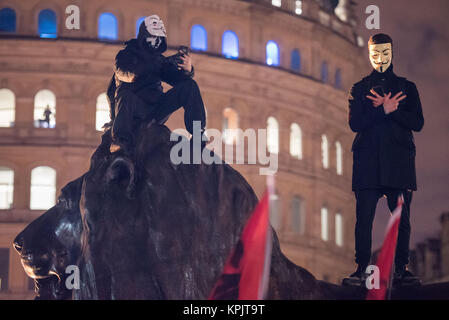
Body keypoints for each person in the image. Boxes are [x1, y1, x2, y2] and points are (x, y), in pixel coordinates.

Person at [344, 33, 424, 286]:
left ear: (392, 53)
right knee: (363, 218)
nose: (381, 59)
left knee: (401, 218)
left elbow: (418, 123)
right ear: (369, 55)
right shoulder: (359, 88)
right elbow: (355, 123)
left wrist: (394, 109)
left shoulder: (407, 88)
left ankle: (401, 268)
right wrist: (383, 110)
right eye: (376, 54)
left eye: (385, 53)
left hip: (398, 160)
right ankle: (361, 268)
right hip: (368, 160)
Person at [105, 15, 207, 154]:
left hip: (156, 108)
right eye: (153, 38)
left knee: (190, 86)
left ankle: (197, 134)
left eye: (159, 39)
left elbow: (180, 81)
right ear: (143, 37)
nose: (156, 42)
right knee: (125, 96)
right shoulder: (126, 55)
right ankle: (121, 141)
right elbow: (127, 74)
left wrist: (188, 70)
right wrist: (156, 65)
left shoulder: (159, 61)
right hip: (133, 108)